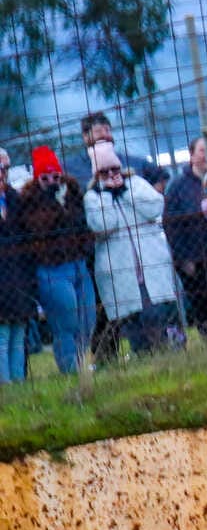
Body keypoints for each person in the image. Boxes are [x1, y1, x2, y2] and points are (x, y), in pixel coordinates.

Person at [83, 147, 182, 355]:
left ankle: (171, 354)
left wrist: (125, 192)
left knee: (159, 315)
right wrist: (109, 196)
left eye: (114, 169)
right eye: (104, 172)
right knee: (135, 321)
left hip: (151, 264)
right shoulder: (93, 197)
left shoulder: (136, 184)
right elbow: (104, 224)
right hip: (121, 272)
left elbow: (155, 207)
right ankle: (144, 359)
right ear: (96, 175)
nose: (111, 175)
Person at [15, 147, 95, 375]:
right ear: (37, 178)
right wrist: (56, 206)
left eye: (55, 177)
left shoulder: (72, 191)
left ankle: (83, 362)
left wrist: (84, 247)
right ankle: (70, 369)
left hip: (78, 263)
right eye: (45, 178)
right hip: (51, 268)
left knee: (87, 319)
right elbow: (39, 228)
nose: (51, 181)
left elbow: (82, 224)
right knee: (66, 320)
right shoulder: (28, 200)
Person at [163, 137, 207, 335]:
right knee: (203, 305)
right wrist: (183, 259)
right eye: (202, 151)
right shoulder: (177, 187)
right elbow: (171, 227)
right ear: (192, 155)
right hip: (195, 259)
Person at [0, 169, 32, 383]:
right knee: (2, 336)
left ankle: (18, 384)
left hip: (18, 276)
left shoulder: (13, 200)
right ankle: (5, 385)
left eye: (3, 171)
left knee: (18, 334)